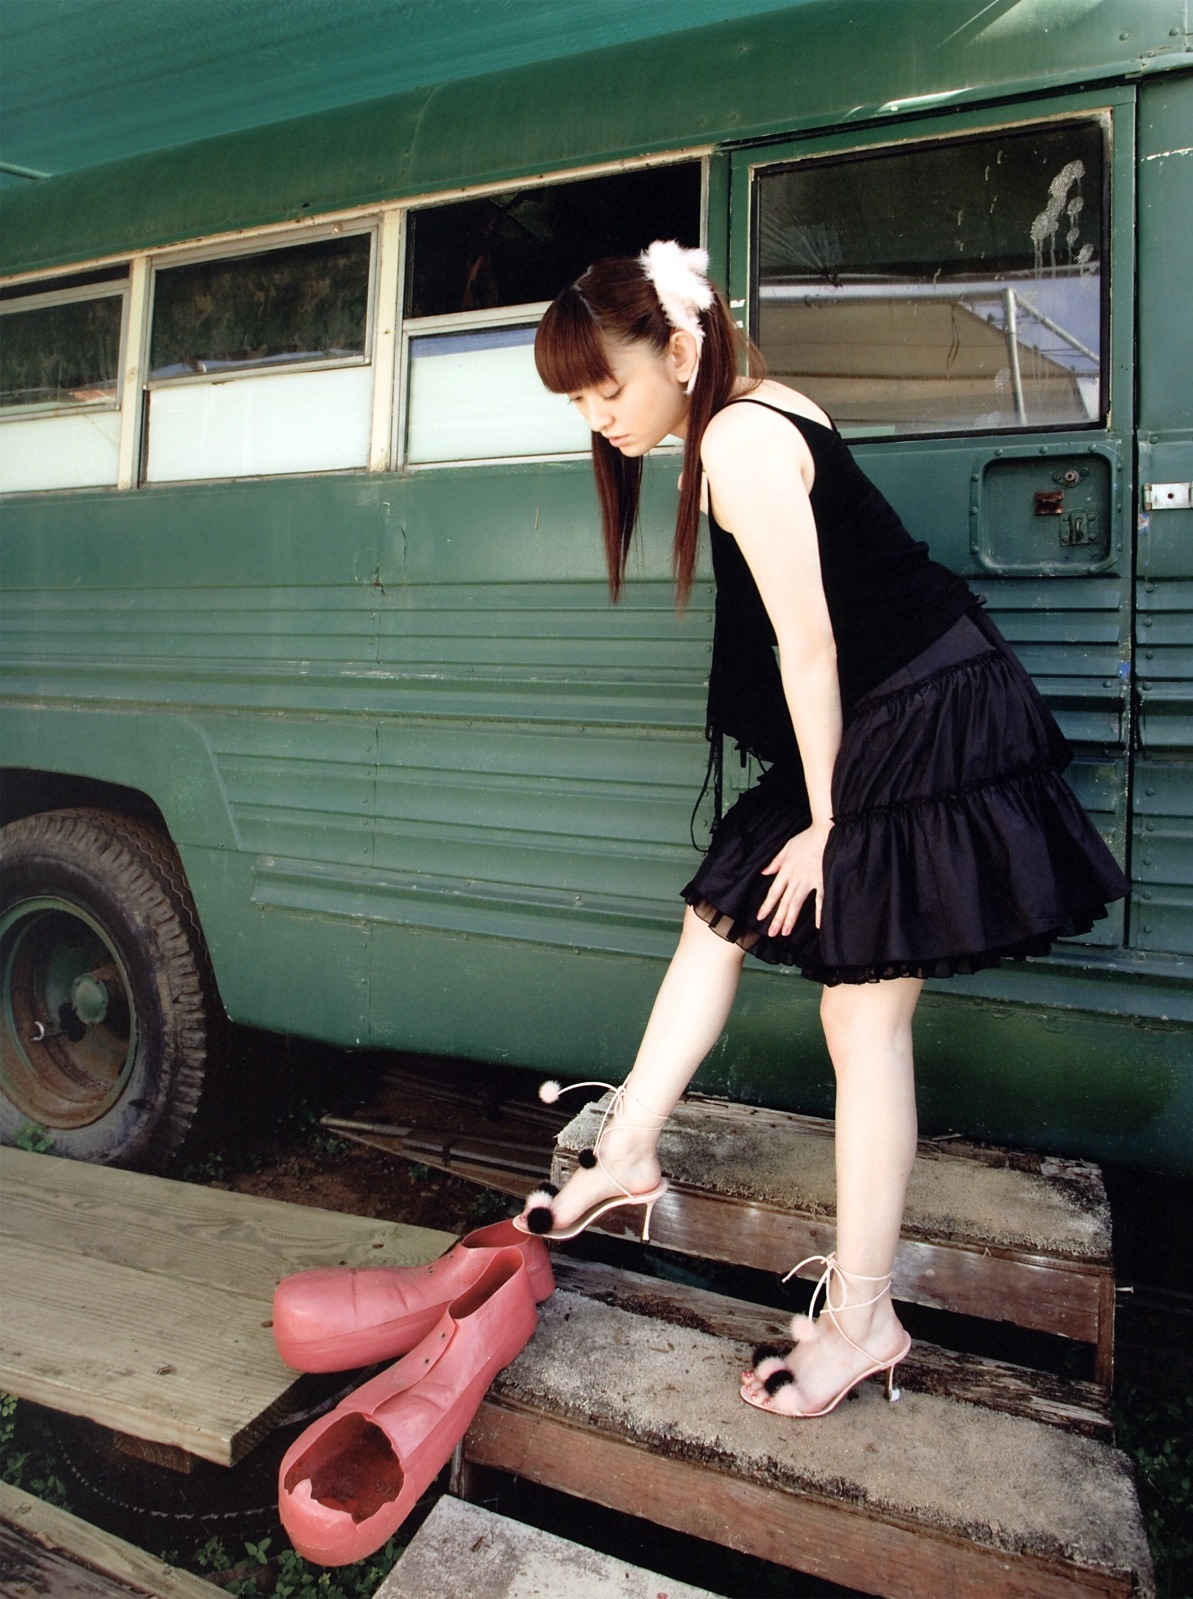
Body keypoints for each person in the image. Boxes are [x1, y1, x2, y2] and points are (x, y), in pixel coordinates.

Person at [513, 241, 1128, 1419]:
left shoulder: (738, 442)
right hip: (879, 705)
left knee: (861, 1016)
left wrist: (833, 825)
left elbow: (809, 645)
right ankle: (626, 1150)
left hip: (919, 706)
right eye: (577, 403)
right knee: (718, 915)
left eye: (605, 390)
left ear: (677, 352)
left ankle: (860, 1319)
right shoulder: (750, 401)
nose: (598, 421)